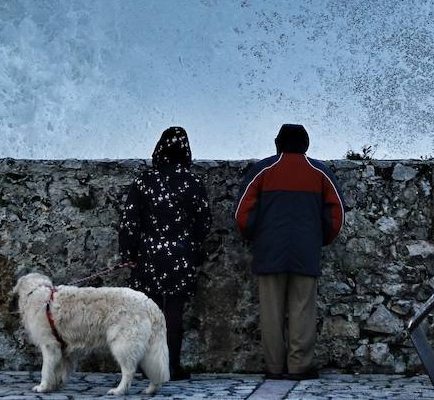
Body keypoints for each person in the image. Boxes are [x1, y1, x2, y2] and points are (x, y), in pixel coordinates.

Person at [234, 123, 345, 380]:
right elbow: (337, 215)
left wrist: (256, 236)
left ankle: (274, 367)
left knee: (271, 311)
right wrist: (320, 238)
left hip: (269, 250)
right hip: (306, 250)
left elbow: (242, 214)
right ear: (306, 143)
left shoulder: (262, 170)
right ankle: (298, 367)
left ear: (278, 142)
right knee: (303, 309)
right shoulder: (320, 172)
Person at [117, 126, 211, 381]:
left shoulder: (144, 181)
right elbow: (204, 222)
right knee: (173, 315)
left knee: (149, 314)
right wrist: (193, 245)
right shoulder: (193, 182)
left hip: (148, 257)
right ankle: (170, 366)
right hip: (181, 257)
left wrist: (128, 254)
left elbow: (130, 222)